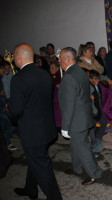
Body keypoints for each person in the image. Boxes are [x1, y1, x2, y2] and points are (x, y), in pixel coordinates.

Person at [8, 43, 62, 199]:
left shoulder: (18, 79)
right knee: (35, 161)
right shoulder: (44, 73)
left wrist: (10, 114)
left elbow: (16, 110)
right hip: (47, 128)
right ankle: (30, 189)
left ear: (18, 57)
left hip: (33, 133)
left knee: (42, 167)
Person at [58, 47, 103, 185]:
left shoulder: (69, 76)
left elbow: (69, 104)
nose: (59, 60)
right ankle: (77, 168)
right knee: (75, 145)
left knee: (82, 147)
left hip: (77, 119)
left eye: (60, 58)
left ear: (67, 59)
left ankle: (95, 174)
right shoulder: (80, 70)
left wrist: (65, 126)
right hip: (83, 116)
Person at [88, 69, 108, 151]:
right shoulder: (89, 88)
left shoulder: (97, 86)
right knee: (92, 128)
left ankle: (98, 137)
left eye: (98, 78)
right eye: (95, 78)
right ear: (90, 79)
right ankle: (94, 143)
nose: (97, 80)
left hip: (98, 109)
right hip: (92, 111)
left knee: (104, 121)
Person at [49, 61, 62, 131]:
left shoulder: (60, 77)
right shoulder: (49, 77)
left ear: (57, 68)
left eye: (52, 68)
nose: (50, 69)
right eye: (50, 68)